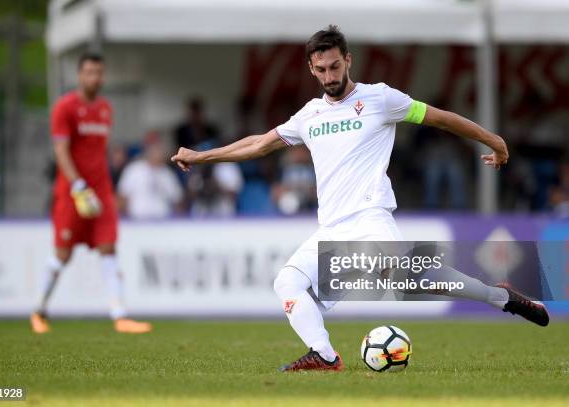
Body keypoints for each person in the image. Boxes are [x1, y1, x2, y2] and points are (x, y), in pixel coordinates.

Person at [172, 26, 549, 372]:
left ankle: (500, 297)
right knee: (287, 284)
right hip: (331, 227)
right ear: (311, 69)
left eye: (335, 66)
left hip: (371, 216)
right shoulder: (309, 115)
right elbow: (257, 145)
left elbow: (440, 118)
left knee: (409, 281)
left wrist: (494, 141)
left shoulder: (381, 99)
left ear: (348, 60)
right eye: (321, 70)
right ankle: (325, 355)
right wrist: (201, 156)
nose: (330, 76)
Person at [30, 52, 151, 334]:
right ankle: (39, 310)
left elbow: (96, 152)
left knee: (108, 249)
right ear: (79, 75)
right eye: (89, 72)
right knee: (62, 255)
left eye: (98, 72)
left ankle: (120, 316)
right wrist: (77, 185)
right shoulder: (65, 108)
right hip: (74, 192)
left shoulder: (105, 109)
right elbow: (61, 151)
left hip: (101, 191)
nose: (94, 77)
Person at [117, 134, 183, 219]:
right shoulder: (134, 170)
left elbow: (177, 201)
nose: (156, 152)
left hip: (163, 223)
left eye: (158, 149)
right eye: (153, 148)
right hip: (136, 221)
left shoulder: (167, 173)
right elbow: (122, 197)